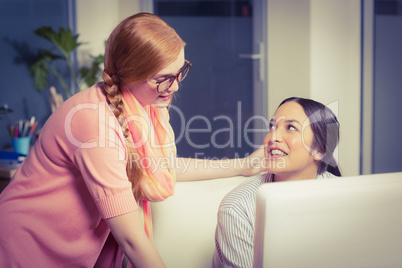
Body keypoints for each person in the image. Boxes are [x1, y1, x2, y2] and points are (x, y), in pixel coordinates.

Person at [0, 13, 267, 268]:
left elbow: (163, 167)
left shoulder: (140, 106)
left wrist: (244, 165)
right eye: (162, 79)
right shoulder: (94, 123)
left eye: (180, 71)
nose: (174, 86)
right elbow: (132, 240)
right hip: (25, 247)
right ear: (129, 74)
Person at [212, 97, 342, 268]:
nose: (273, 137)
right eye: (272, 126)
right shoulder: (238, 208)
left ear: (320, 150)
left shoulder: (341, 196)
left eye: (291, 128)